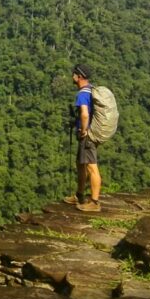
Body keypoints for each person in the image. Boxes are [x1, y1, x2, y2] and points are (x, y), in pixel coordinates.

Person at [64, 64, 102, 212]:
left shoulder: (82, 94)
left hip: (88, 135)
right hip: (90, 133)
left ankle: (94, 202)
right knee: (81, 164)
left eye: (74, 74)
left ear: (79, 76)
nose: (72, 76)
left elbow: (85, 114)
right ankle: (80, 195)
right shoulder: (91, 89)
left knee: (91, 166)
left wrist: (83, 131)